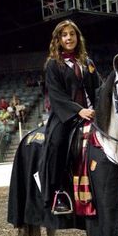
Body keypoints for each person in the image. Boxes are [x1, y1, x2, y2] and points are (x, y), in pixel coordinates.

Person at [39, 19, 101, 213]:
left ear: (77, 37)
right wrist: (78, 110)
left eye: (72, 34)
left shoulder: (87, 62)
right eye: (64, 35)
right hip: (66, 116)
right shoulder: (52, 65)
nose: (68, 38)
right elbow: (57, 96)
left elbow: (98, 87)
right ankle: (58, 193)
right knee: (56, 143)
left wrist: (101, 106)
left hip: (92, 113)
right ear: (58, 39)